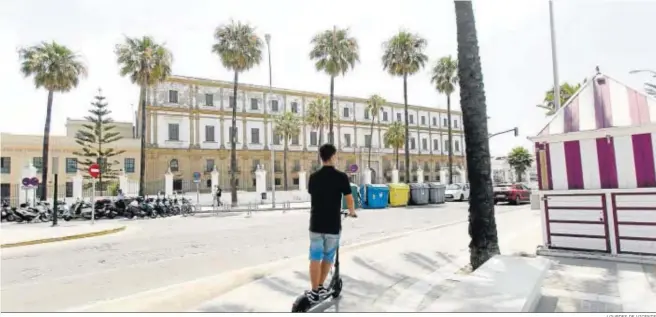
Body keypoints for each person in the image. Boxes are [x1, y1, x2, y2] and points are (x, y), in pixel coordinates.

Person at [306, 143, 357, 303]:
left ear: (321, 158)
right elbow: (349, 198)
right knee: (328, 256)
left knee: (314, 256)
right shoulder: (341, 177)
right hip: (332, 225)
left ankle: (315, 291)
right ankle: (321, 285)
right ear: (333, 156)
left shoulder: (313, 177)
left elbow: (312, 193)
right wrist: (352, 212)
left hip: (315, 223)